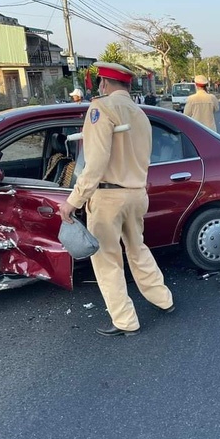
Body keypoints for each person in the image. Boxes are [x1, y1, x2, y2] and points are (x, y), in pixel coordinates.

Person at [58, 62, 175, 337]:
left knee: (107, 260)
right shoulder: (141, 114)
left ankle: (125, 321)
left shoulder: (101, 108)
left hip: (109, 196)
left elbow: (95, 163)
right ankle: (163, 299)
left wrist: (73, 201)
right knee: (137, 248)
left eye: (100, 82)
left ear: (104, 84)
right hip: (136, 193)